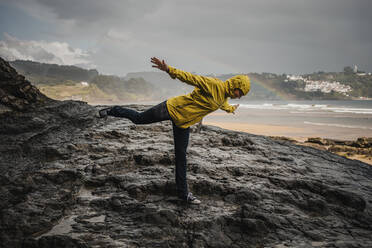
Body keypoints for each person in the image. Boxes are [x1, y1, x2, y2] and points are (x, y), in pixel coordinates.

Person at [98, 57, 250, 205]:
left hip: (183, 123)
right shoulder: (214, 84)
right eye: (240, 93)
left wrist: (230, 109)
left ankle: (183, 194)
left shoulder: (224, 96)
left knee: (181, 156)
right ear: (235, 85)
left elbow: (222, 104)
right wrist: (168, 69)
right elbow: (190, 78)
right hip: (171, 108)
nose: (239, 97)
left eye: (241, 95)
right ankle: (113, 110)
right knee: (138, 119)